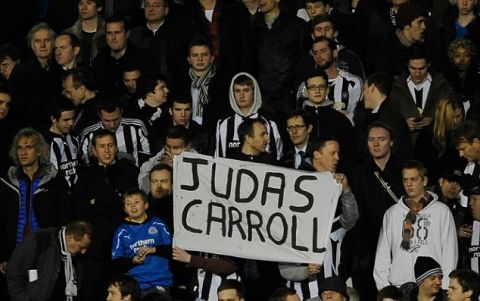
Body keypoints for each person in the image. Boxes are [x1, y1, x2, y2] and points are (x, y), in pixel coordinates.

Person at [279, 136, 358, 300]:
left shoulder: (336, 185)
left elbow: (350, 219)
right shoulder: (296, 183)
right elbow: (284, 266)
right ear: (317, 154)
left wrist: (346, 191)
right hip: (299, 292)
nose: (337, 158)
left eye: (338, 153)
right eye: (332, 153)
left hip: (333, 288)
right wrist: (305, 271)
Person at [73, 129, 139, 301]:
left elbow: (132, 207)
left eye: (110, 145)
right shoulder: (84, 176)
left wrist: (98, 201)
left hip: (124, 248)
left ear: (116, 147)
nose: (107, 150)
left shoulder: (129, 171)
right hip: (95, 250)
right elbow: (82, 212)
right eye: (102, 146)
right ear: (94, 150)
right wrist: (116, 198)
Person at [374, 160, 458, 290]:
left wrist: (445, 287)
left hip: (432, 288)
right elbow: (382, 254)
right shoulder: (393, 213)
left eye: (413, 179)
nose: (409, 184)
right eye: (405, 180)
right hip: (399, 287)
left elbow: (449, 252)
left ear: (424, 181)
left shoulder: (441, 211)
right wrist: (385, 288)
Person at [0, 127, 71, 272]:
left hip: (47, 253)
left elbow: (65, 218)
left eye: (29, 147)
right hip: (15, 253)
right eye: (19, 148)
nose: (23, 152)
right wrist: (3, 256)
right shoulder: (7, 182)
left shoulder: (54, 181)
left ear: (39, 151)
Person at [351, 123, 404, 301]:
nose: (376, 144)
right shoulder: (358, 173)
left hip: (400, 244)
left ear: (391, 142)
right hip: (368, 249)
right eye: (371, 139)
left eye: (381, 139)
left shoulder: (404, 170)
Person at [6, 220, 92, 301]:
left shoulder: (76, 256)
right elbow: (13, 273)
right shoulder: (39, 240)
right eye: (81, 247)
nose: (83, 252)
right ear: (71, 237)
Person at [252, 0, 309, 119]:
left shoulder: (297, 25)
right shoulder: (251, 25)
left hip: (289, 96)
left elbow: (304, 61)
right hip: (261, 95)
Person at [390, 43, 453, 146]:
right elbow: (389, 118)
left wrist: (434, 121)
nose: (417, 73)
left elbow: (452, 116)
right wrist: (403, 124)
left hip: (436, 145)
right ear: (407, 65)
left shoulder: (442, 86)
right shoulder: (397, 88)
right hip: (405, 146)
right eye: (413, 68)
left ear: (428, 64)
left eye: (422, 68)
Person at [112, 189, 172, 294]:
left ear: (146, 205)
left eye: (136, 202)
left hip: (160, 282)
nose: (133, 206)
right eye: (128, 204)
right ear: (125, 209)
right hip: (134, 285)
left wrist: (153, 249)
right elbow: (116, 262)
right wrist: (133, 260)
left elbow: (172, 250)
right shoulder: (121, 231)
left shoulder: (159, 224)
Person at [215, 72, 283, 160]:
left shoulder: (269, 121)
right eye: (237, 91)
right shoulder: (223, 122)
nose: (241, 95)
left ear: (254, 92)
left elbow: (278, 158)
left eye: (246, 90)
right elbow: (219, 159)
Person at [300, 69, 355, 176]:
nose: (317, 91)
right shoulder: (297, 119)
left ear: (328, 90)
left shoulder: (341, 120)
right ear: (306, 91)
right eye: (312, 87)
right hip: (301, 178)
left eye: (321, 87)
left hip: (334, 181)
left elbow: (350, 156)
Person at [296, 37, 362, 124]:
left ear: (334, 53)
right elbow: (301, 119)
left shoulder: (353, 82)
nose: (318, 56)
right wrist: (339, 115)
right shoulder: (305, 86)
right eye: (315, 53)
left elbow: (356, 117)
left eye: (323, 51)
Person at [8, 22, 62, 130]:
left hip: (55, 128)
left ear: (53, 44)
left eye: (46, 40)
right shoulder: (21, 71)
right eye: (37, 41)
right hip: (28, 129)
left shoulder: (60, 69)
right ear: (32, 45)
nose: (42, 45)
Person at [79, 97, 151, 166]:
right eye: (107, 120)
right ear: (99, 115)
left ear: (121, 112)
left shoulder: (137, 127)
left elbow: (147, 156)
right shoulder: (88, 134)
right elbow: (85, 164)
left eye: (116, 119)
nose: (112, 125)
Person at [414, 94, 465, 184]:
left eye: (458, 116)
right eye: (451, 117)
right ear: (443, 116)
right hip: (434, 185)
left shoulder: (465, 132)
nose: (455, 121)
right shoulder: (428, 136)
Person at [138, 125, 195, 193]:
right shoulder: (163, 154)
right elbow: (145, 188)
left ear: (188, 146)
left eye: (176, 148)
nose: (171, 151)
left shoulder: (199, 162)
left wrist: (176, 167)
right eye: (168, 146)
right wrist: (159, 168)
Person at [45, 97, 80, 189]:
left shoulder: (74, 138)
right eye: (66, 120)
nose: (71, 123)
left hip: (77, 194)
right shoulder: (44, 142)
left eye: (73, 118)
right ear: (53, 119)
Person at [65, 0, 107, 65]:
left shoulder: (109, 33)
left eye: (89, 3)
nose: (84, 8)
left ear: (99, 7)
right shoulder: (68, 34)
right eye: (81, 3)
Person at [62, 67, 101, 135]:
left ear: (82, 88)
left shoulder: (100, 109)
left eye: (69, 92)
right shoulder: (77, 106)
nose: (67, 96)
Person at [462, 183, 480, 272]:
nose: (470, 203)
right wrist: (456, 236)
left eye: (474, 199)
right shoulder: (467, 226)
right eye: (470, 199)